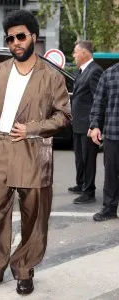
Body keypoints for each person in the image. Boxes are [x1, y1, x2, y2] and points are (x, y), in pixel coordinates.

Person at [0, 10, 71, 295]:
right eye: (11, 38)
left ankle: (24, 270)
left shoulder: (51, 76)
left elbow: (63, 116)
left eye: (21, 36)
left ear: (33, 37)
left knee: (34, 216)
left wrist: (33, 128)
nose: (16, 42)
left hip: (34, 151)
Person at [68, 41, 103, 204]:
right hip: (78, 124)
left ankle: (89, 192)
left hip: (88, 124)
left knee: (88, 159)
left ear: (85, 54)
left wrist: (95, 124)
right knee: (79, 158)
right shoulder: (82, 71)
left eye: (76, 52)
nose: (73, 55)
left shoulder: (95, 71)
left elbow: (99, 98)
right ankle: (81, 184)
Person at [89, 63, 119, 221]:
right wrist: (94, 126)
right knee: (111, 173)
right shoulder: (109, 74)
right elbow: (98, 102)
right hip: (113, 133)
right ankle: (110, 208)